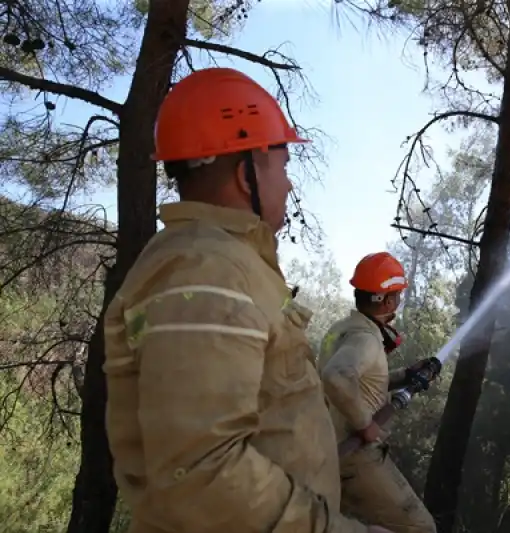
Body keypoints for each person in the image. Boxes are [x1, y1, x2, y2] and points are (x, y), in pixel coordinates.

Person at [102, 67, 389, 533]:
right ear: (246, 173)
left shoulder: (224, 262)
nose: (290, 184)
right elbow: (200, 473)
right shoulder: (206, 270)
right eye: (283, 166)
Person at [319, 252, 439, 533]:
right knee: (421, 528)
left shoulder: (342, 330)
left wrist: (405, 376)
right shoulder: (366, 339)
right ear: (386, 300)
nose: (398, 301)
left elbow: (356, 383)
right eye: (397, 295)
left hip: (325, 448)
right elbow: (336, 377)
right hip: (355, 455)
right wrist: (365, 424)